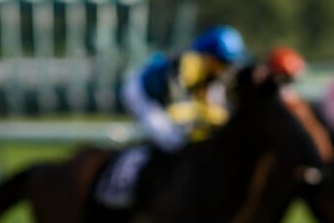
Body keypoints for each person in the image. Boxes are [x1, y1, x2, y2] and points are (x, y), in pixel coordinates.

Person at [99, 25, 247, 209]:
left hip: (164, 99)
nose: (228, 68)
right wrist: (210, 116)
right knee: (172, 140)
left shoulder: (212, 73)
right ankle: (125, 186)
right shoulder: (186, 66)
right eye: (224, 62)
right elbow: (177, 112)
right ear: (209, 58)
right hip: (141, 93)